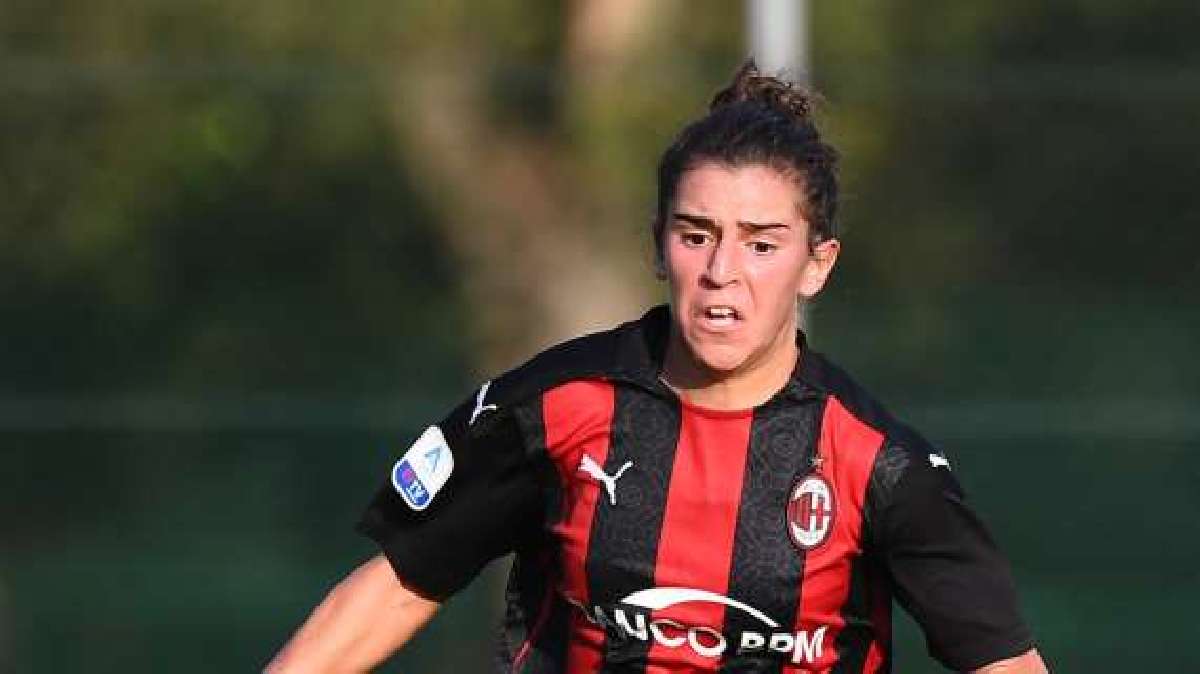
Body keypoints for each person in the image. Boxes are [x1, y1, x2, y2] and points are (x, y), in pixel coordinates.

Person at [266, 61, 1048, 674]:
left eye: (762, 243)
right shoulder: (556, 407)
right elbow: (400, 582)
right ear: (657, 245)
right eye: (696, 233)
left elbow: (1003, 658)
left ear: (817, 265)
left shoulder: (877, 464)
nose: (723, 270)